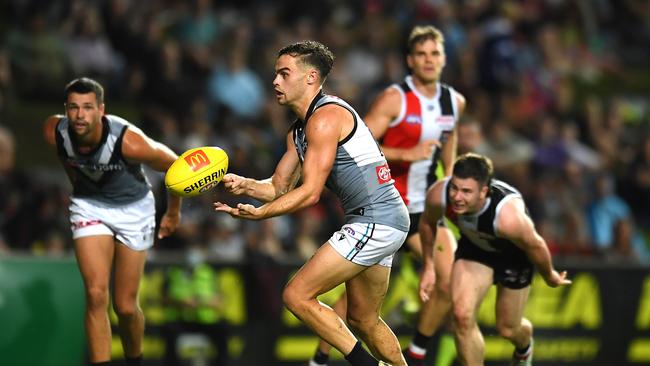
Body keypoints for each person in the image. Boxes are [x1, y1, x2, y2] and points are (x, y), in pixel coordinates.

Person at [214, 40, 410, 366]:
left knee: (296, 294)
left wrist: (262, 215)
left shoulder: (325, 118)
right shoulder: (298, 131)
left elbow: (310, 192)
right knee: (364, 320)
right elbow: (278, 186)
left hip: (375, 219)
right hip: (382, 219)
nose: (275, 81)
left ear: (310, 77)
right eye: (275, 74)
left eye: (284, 74)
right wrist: (245, 184)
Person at [309, 25, 466, 366]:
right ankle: (322, 357)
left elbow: (449, 139)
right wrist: (407, 155)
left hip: (424, 209)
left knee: (446, 279)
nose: (428, 60)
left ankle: (416, 353)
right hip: (387, 204)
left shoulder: (454, 102)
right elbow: (356, 144)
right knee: (358, 300)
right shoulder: (394, 99)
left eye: (435, 53)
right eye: (421, 54)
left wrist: (450, 181)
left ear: (444, 58)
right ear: (410, 60)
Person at [43, 77, 182, 366]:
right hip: (89, 206)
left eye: (87, 108)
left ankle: (135, 360)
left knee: (126, 307)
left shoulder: (129, 142)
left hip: (135, 209)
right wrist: (79, 190)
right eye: (73, 108)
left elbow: (175, 166)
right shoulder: (54, 132)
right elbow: (69, 163)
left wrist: (172, 212)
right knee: (95, 294)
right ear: (65, 110)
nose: (80, 115)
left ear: (101, 110)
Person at [418, 153, 572, 366]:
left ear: (484, 191)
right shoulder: (439, 194)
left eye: (466, 191)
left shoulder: (508, 218)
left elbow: (536, 245)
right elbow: (427, 222)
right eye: (454, 187)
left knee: (508, 329)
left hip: (514, 258)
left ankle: (524, 347)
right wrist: (428, 266)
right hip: (475, 250)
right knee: (461, 317)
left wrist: (550, 276)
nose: (457, 197)